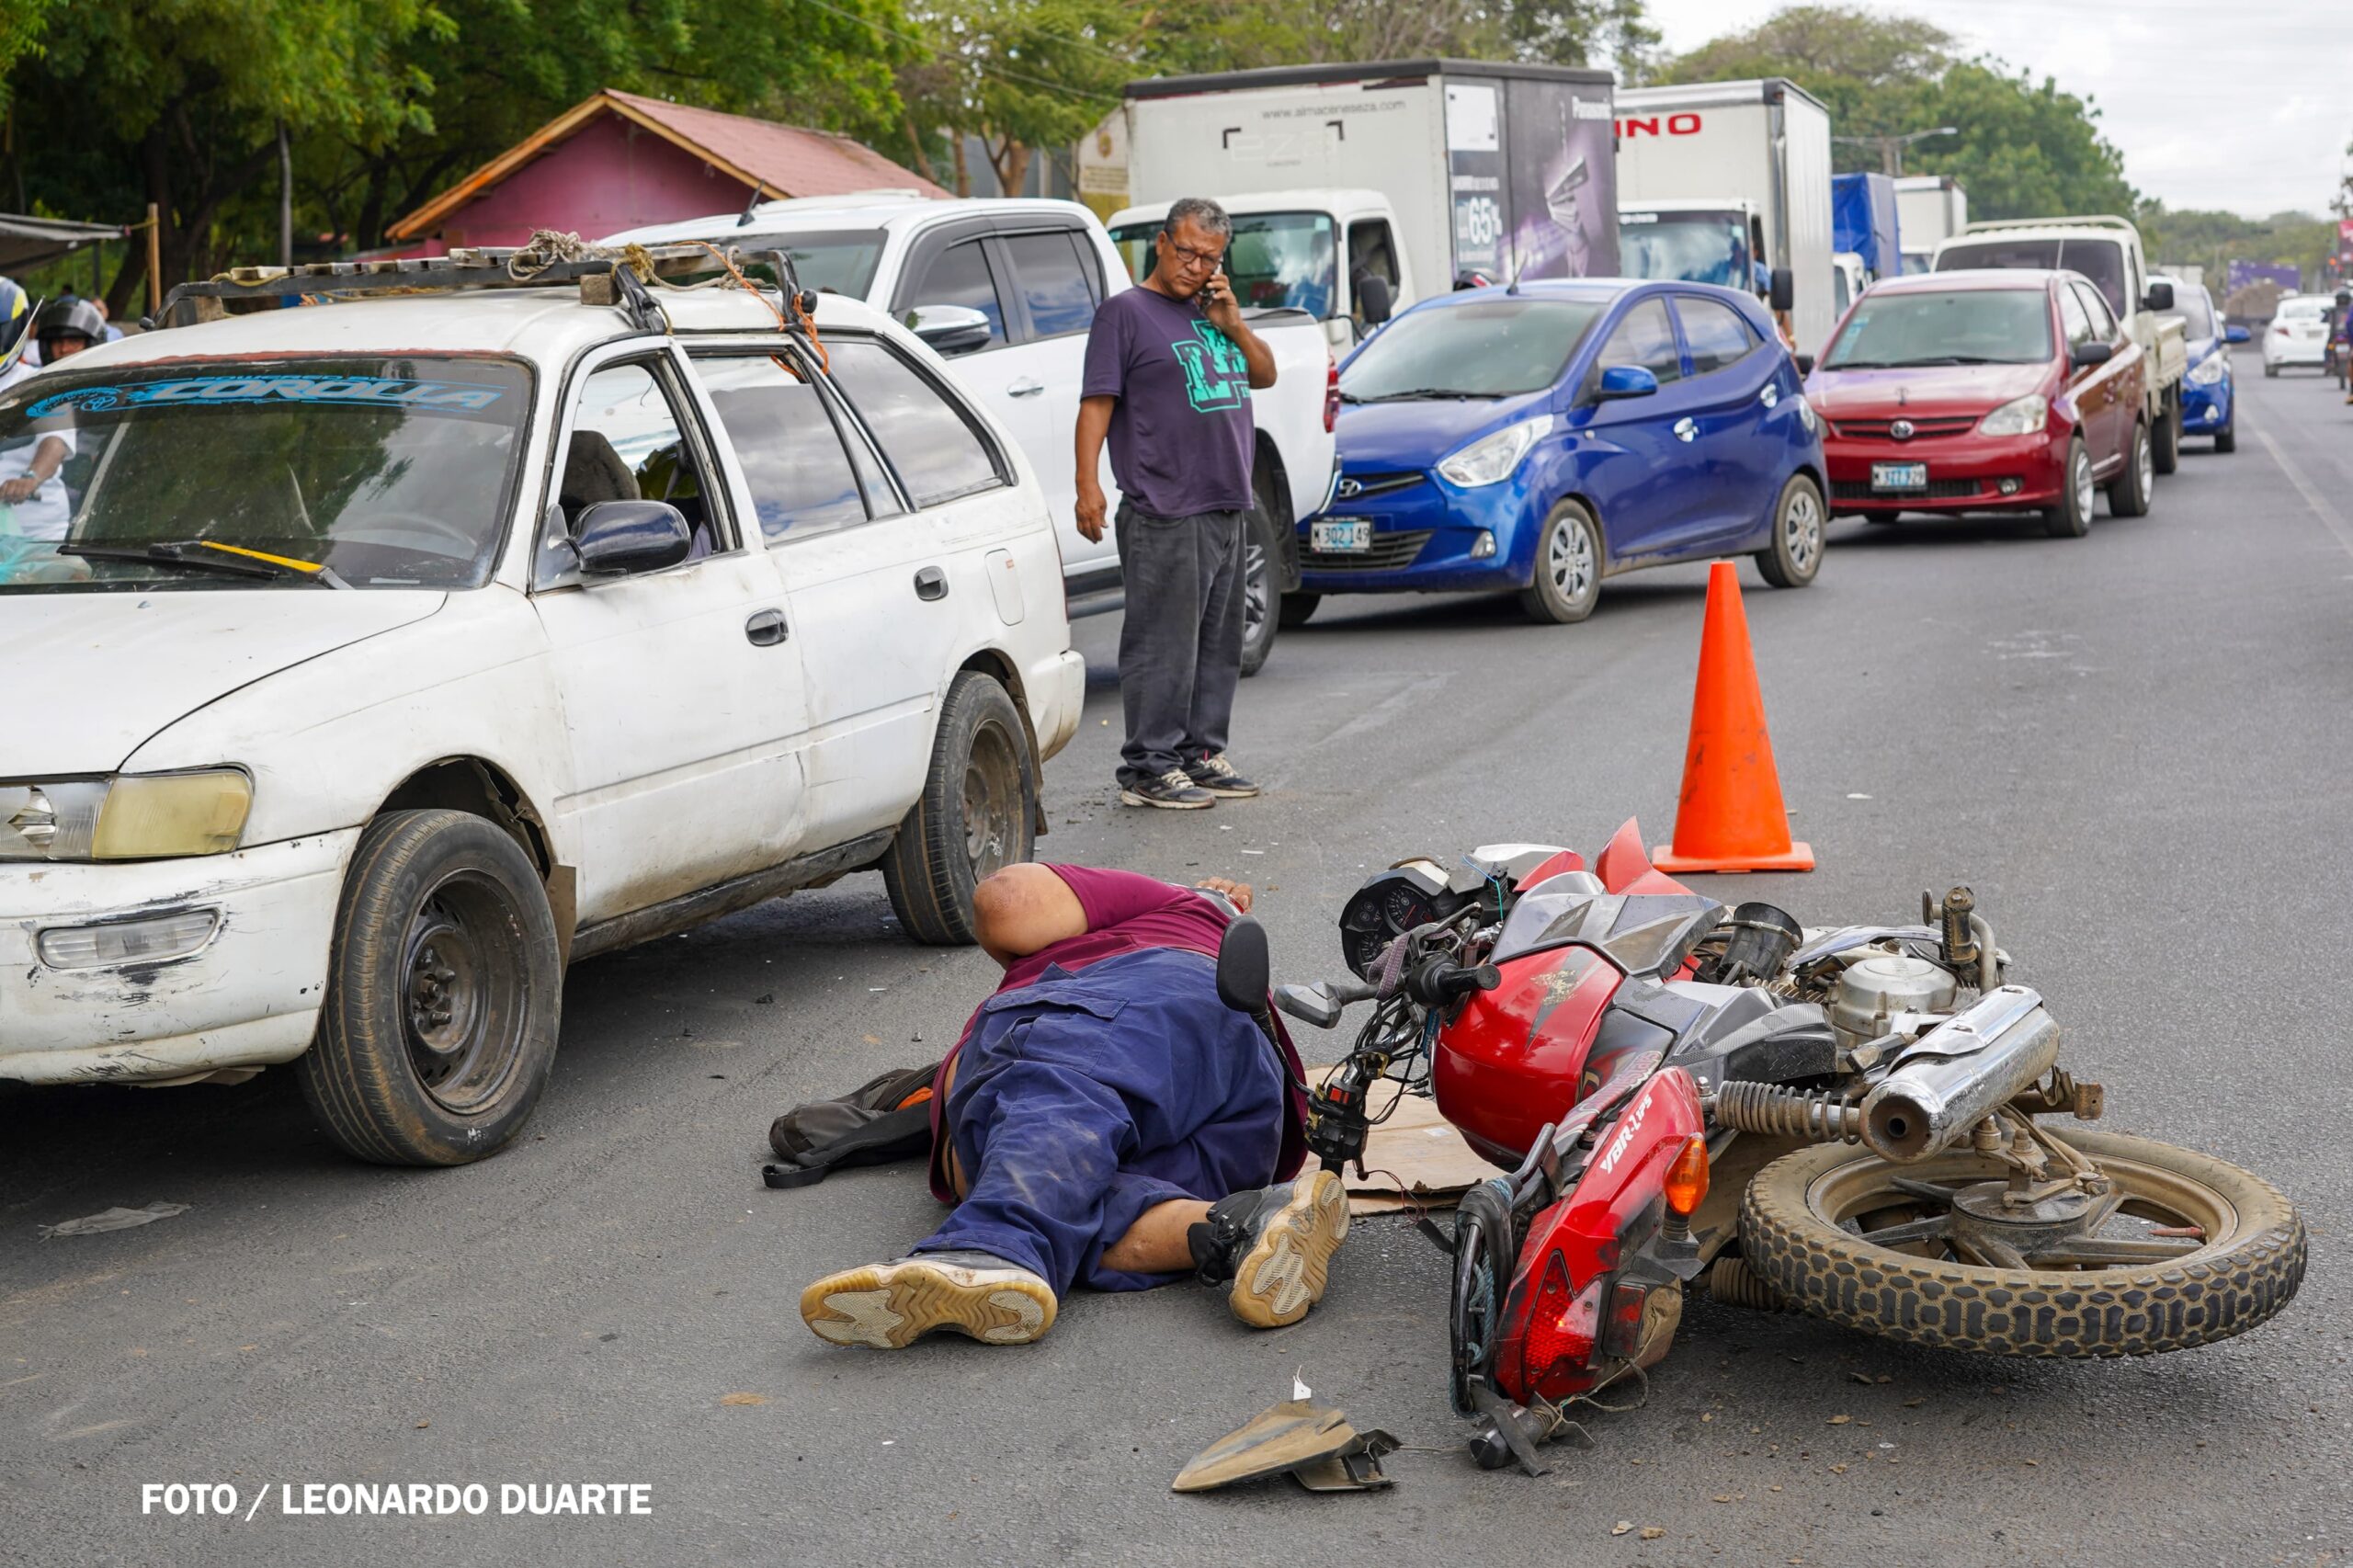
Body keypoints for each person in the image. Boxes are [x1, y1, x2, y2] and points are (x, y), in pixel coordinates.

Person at [799, 862, 1347, 1350]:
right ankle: (1238, 1226)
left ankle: (988, 1248)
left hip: (1143, 1012)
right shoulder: (1001, 1114)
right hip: (1246, 1123)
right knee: (1064, 1208)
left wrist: (1187, 894)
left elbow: (1008, 900)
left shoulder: (1171, 910)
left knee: (1048, 1110)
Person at [1075, 197, 1278, 811]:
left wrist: (1233, 323)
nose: (1195, 266)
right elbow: (1097, 403)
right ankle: (1148, 767)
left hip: (1227, 499)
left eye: (1209, 258)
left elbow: (1265, 374)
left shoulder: (1213, 312)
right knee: (1162, 644)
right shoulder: (1125, 314)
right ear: (1162, 243)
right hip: (1164, 502)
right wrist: (1087, 485)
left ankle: (1200, 754)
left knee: (1217, 644)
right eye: (1186, 252)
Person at [0, 299, 100, 561]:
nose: (65, 349)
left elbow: (55, 441)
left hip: (38, 531)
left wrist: (30, 479)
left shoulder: (38, 382)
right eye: (58, 342)